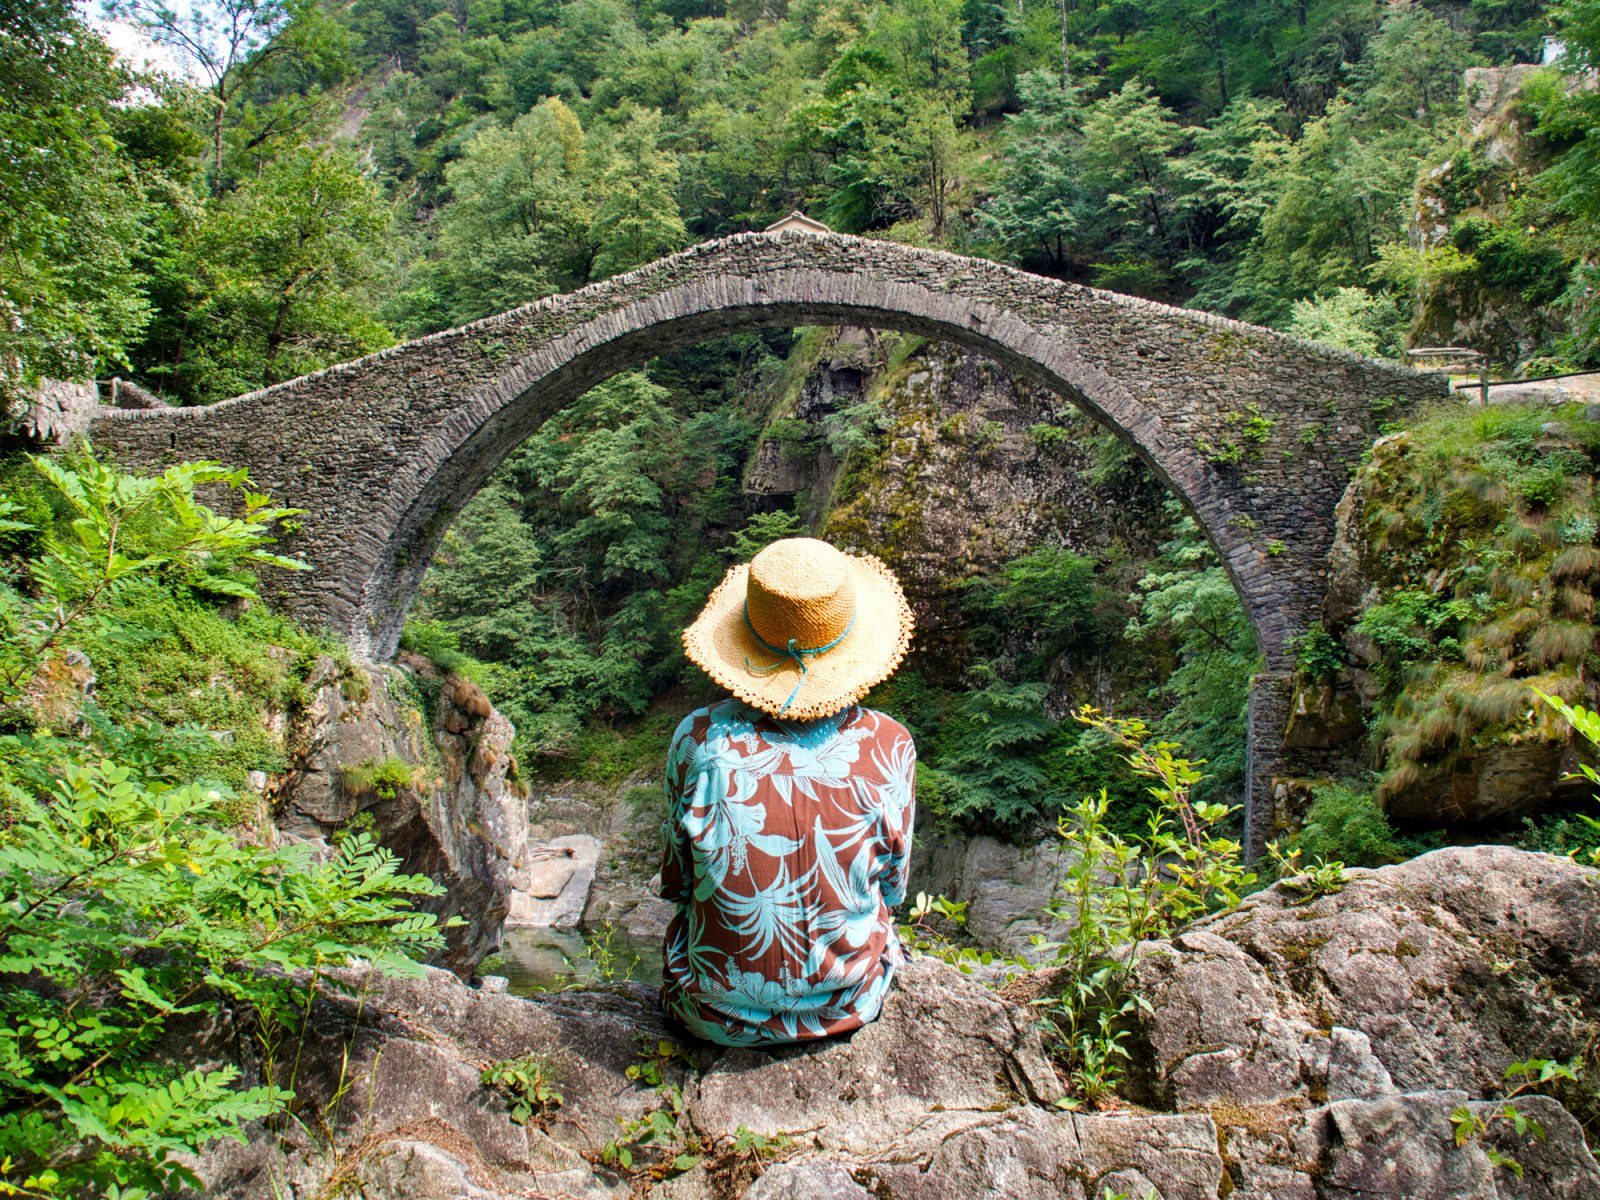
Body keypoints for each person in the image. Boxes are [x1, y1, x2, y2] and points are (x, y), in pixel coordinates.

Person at [658, 536, 917, 1046]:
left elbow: (677, 882)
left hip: (713, 1013)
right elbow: (892, 888)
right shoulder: (891, 744)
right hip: (848, 1004)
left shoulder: (698, 739)